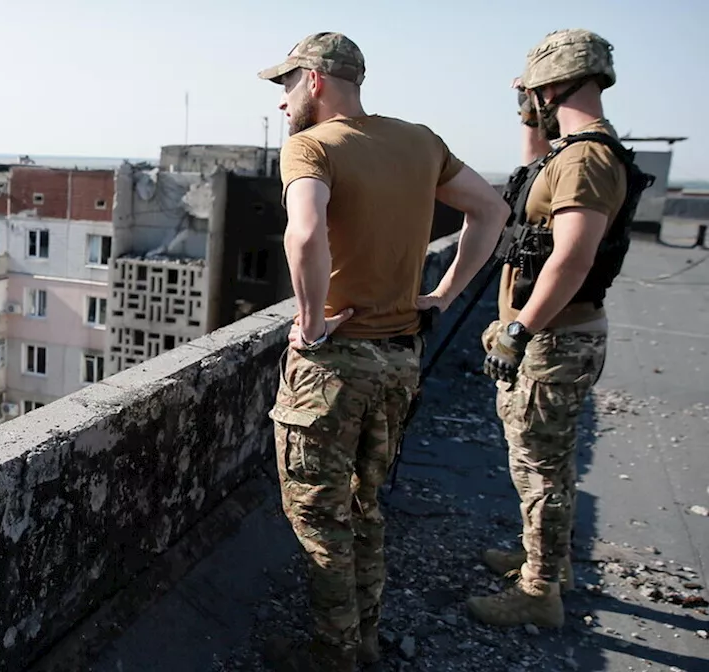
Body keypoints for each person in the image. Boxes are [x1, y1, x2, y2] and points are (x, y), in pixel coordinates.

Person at [259, 32, 510, 670]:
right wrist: (444, 295)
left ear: (314, 80)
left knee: (320, 515)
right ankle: (363, 638)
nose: (283, 102)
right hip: (400, 358)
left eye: (286, 85)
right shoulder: (420, 140)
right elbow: (490, 209)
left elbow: (306, 233)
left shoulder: (309, 146)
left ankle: (335, 653)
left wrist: (312, 323)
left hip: (334, 367)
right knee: (367, 504)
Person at [466, 29, 651, 629]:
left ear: (551, 85)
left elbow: (571, 255)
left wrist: (519, 329)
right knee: (544, 463)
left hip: (554, 339)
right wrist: (528, 114)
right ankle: (546, 561)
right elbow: (529, 184)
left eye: (535, 93)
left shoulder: (587, 158)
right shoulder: (569, 151)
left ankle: (539, 592)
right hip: (554, 334)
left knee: (540, 468)